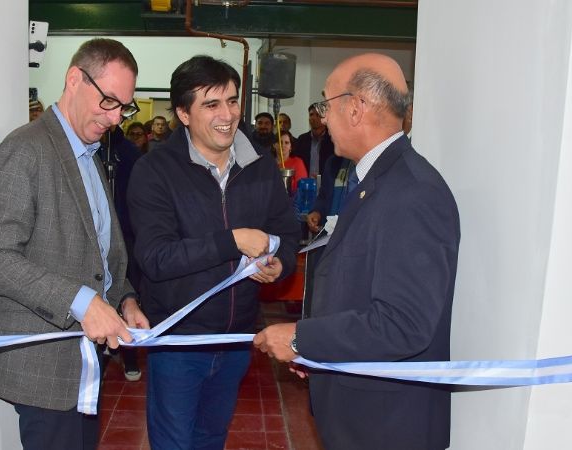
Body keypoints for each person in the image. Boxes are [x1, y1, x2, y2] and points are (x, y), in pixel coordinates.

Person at [253, 53, 460, 450]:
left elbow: (404, 324)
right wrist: (321, 352)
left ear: (356, 108)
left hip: (387, 427)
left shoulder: (412, 193)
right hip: (362, 412)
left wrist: (301, 338)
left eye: (324, 105)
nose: (322, 118)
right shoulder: (377, 180)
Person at [0, 38, 149, 450]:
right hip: (44, 370)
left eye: (124, 107)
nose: (116, 118)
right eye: (108, 101)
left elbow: (102, 251)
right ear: (74, 79)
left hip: (85, 363)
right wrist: (82, 301)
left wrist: (123, 298)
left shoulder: (89, 155)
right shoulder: (24, 150)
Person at [127, 55, 301, 450]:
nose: (228, 115)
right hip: (179, 343)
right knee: (174, 443)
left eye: (233, 101)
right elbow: (155, 257)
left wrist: (279, 264)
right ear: (183, 113)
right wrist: (232, 240)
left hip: (238, 339)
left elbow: (287, 235)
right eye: (212, 104)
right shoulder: (154, 171)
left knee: (211, 439)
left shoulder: (260, 166)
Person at [99, 125, 145, 382]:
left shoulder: (130, 154)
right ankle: (102, 349)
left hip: (126, 236)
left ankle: (129, 353)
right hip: (97, 237)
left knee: (127, 295)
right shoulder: (90, 152)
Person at [294, 104, 335, 177]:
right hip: (305, 184)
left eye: (317, 115)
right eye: (311, 114)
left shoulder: (333, 140)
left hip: (327, 184)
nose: (313, 118)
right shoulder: (302, 139)